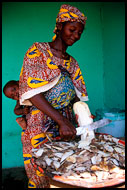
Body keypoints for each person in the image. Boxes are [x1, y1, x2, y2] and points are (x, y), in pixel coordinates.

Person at [19, 4, 88, 188]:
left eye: (80, 32)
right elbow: (33, 93)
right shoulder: (38, 51)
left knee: (64, 170)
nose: (76, 35)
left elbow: (75, 98)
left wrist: (83, 117)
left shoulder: (72, 63)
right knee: (42, 173)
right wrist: (61, 121)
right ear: (59, 26)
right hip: (41, 124)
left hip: (65, 124)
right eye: (72, 29)